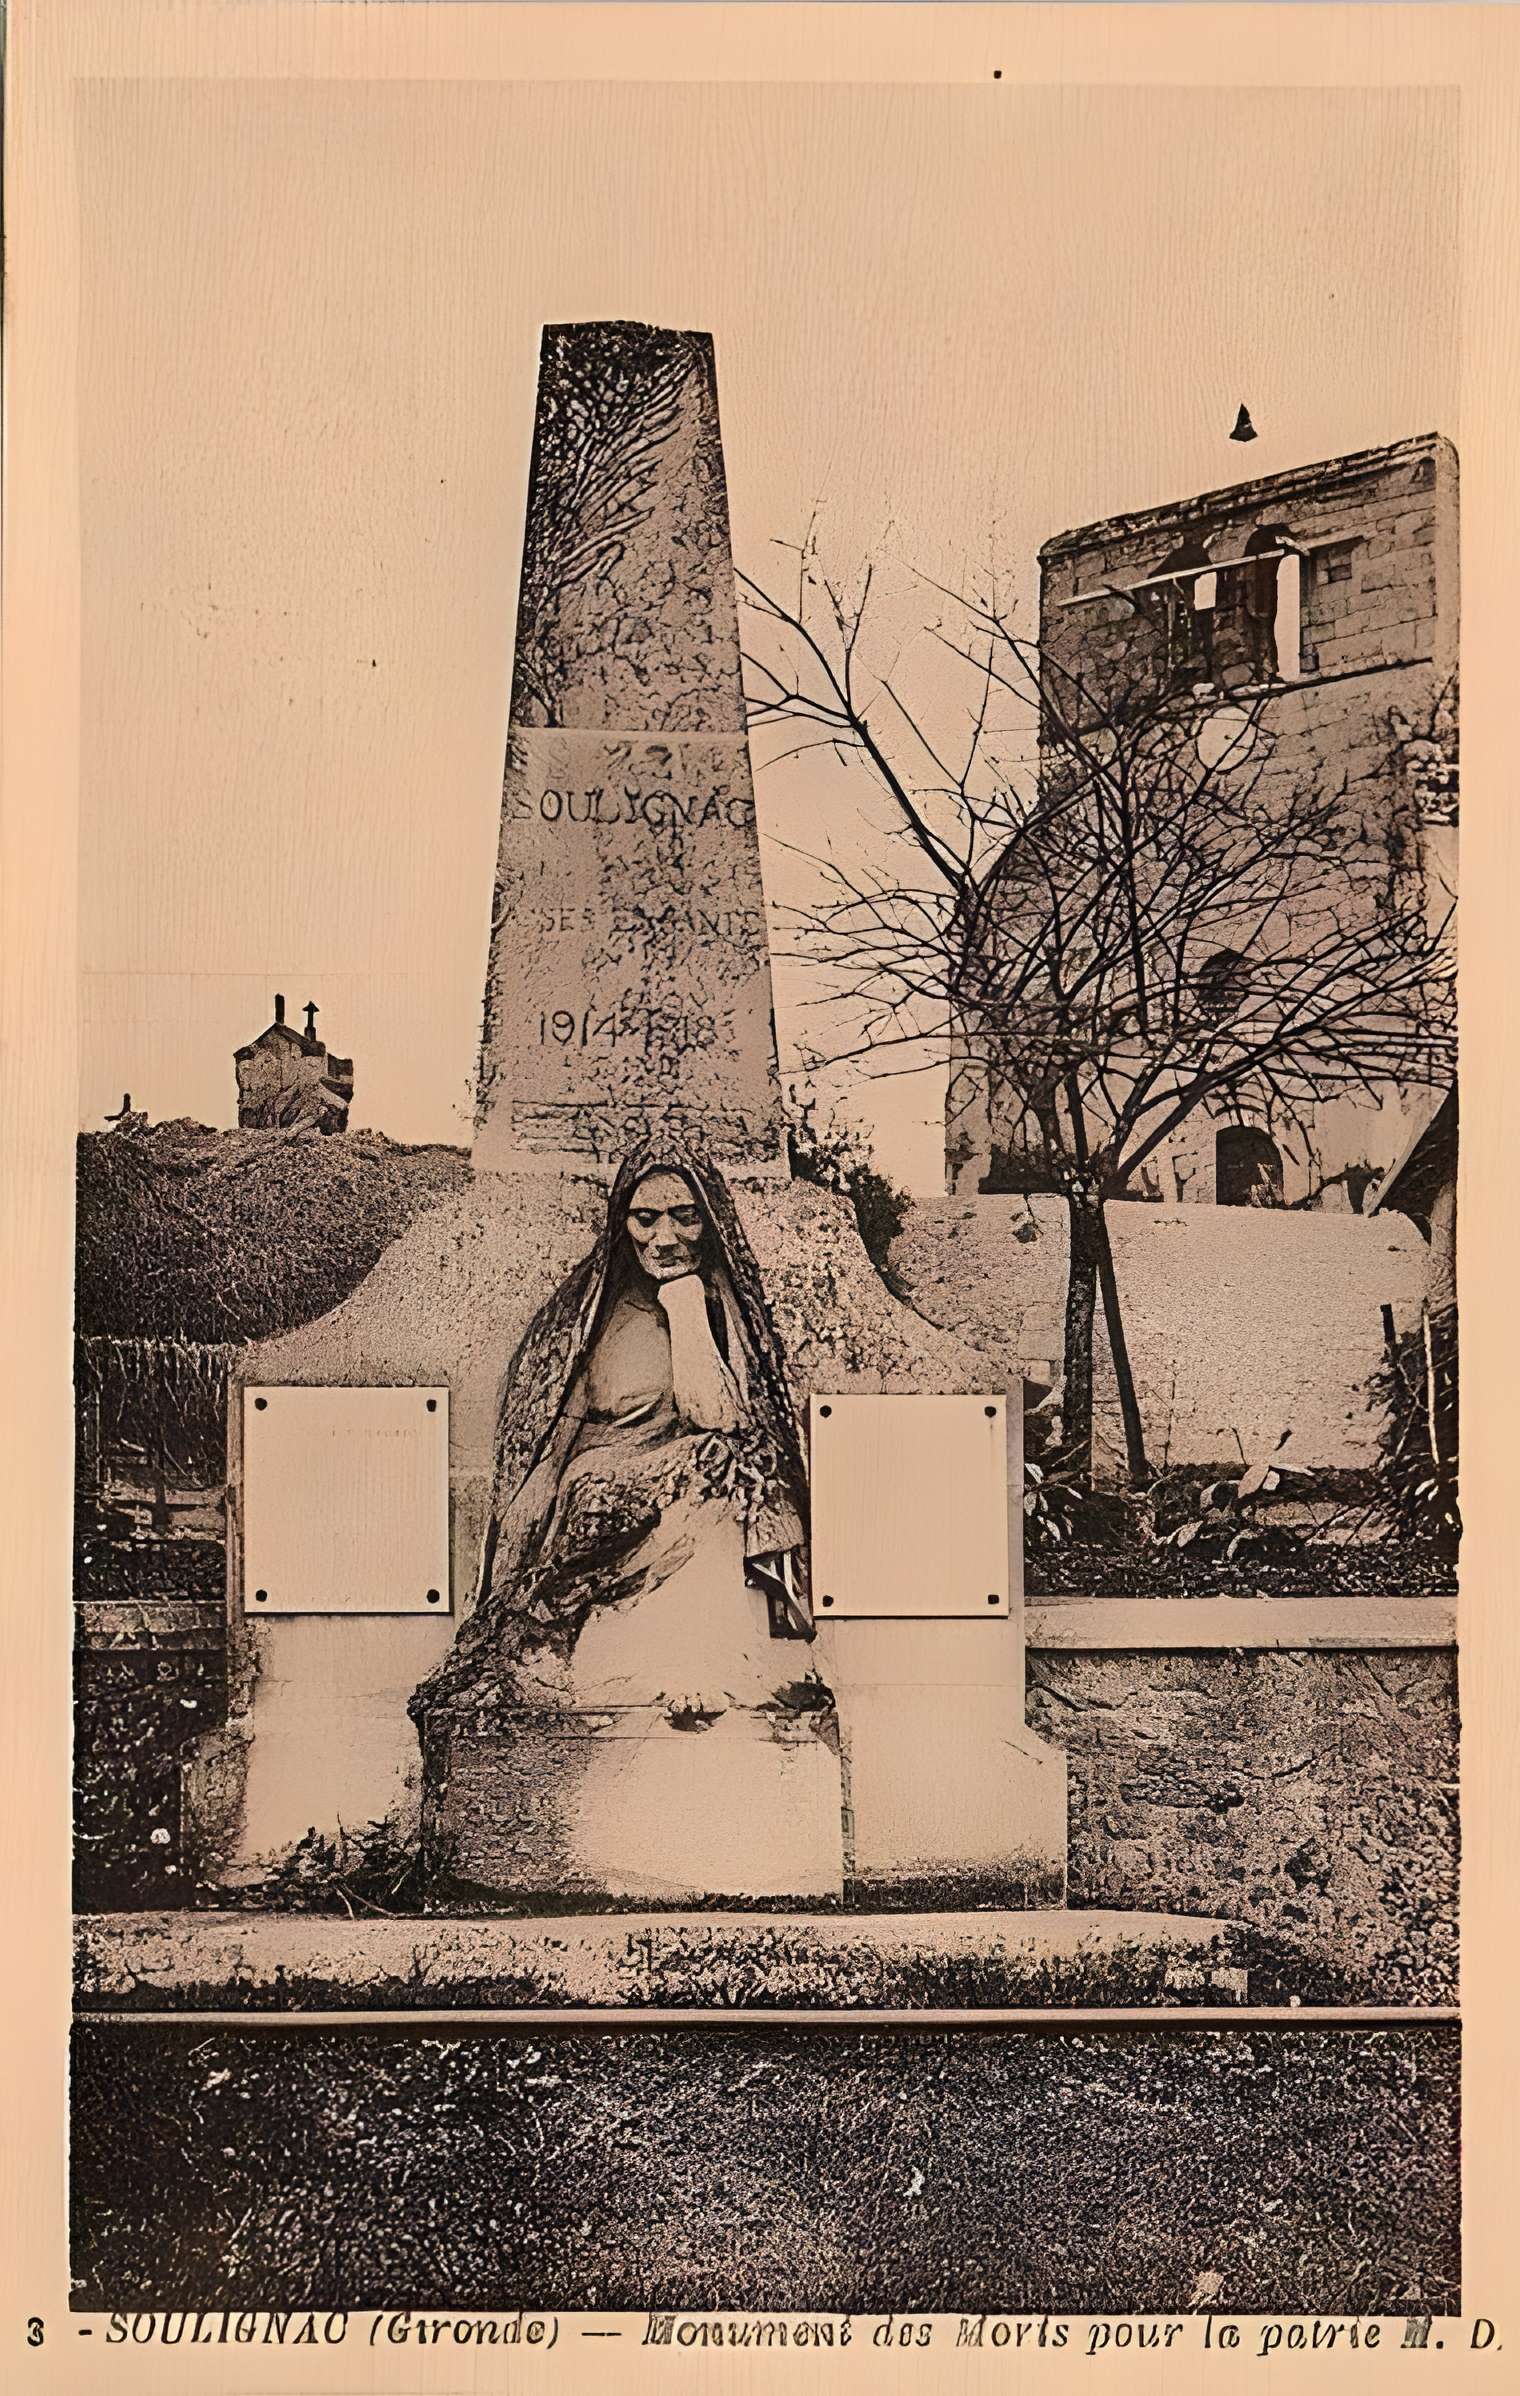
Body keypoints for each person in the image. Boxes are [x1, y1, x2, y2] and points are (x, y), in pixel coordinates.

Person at [412, 1138, 831, 1729]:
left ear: (710, 1222)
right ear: (622, 1223)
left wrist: (685, 1305)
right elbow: (552, 1436)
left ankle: (709, 1660)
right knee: (716, 1465)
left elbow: (719, 1415)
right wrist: (521, 1528)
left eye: (684, 1216)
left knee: (733, 1463)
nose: (665, 1238)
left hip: (690, 1486)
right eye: (646, 1218)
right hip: (597, 1496)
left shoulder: (720, 1310)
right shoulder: (591, 1317)